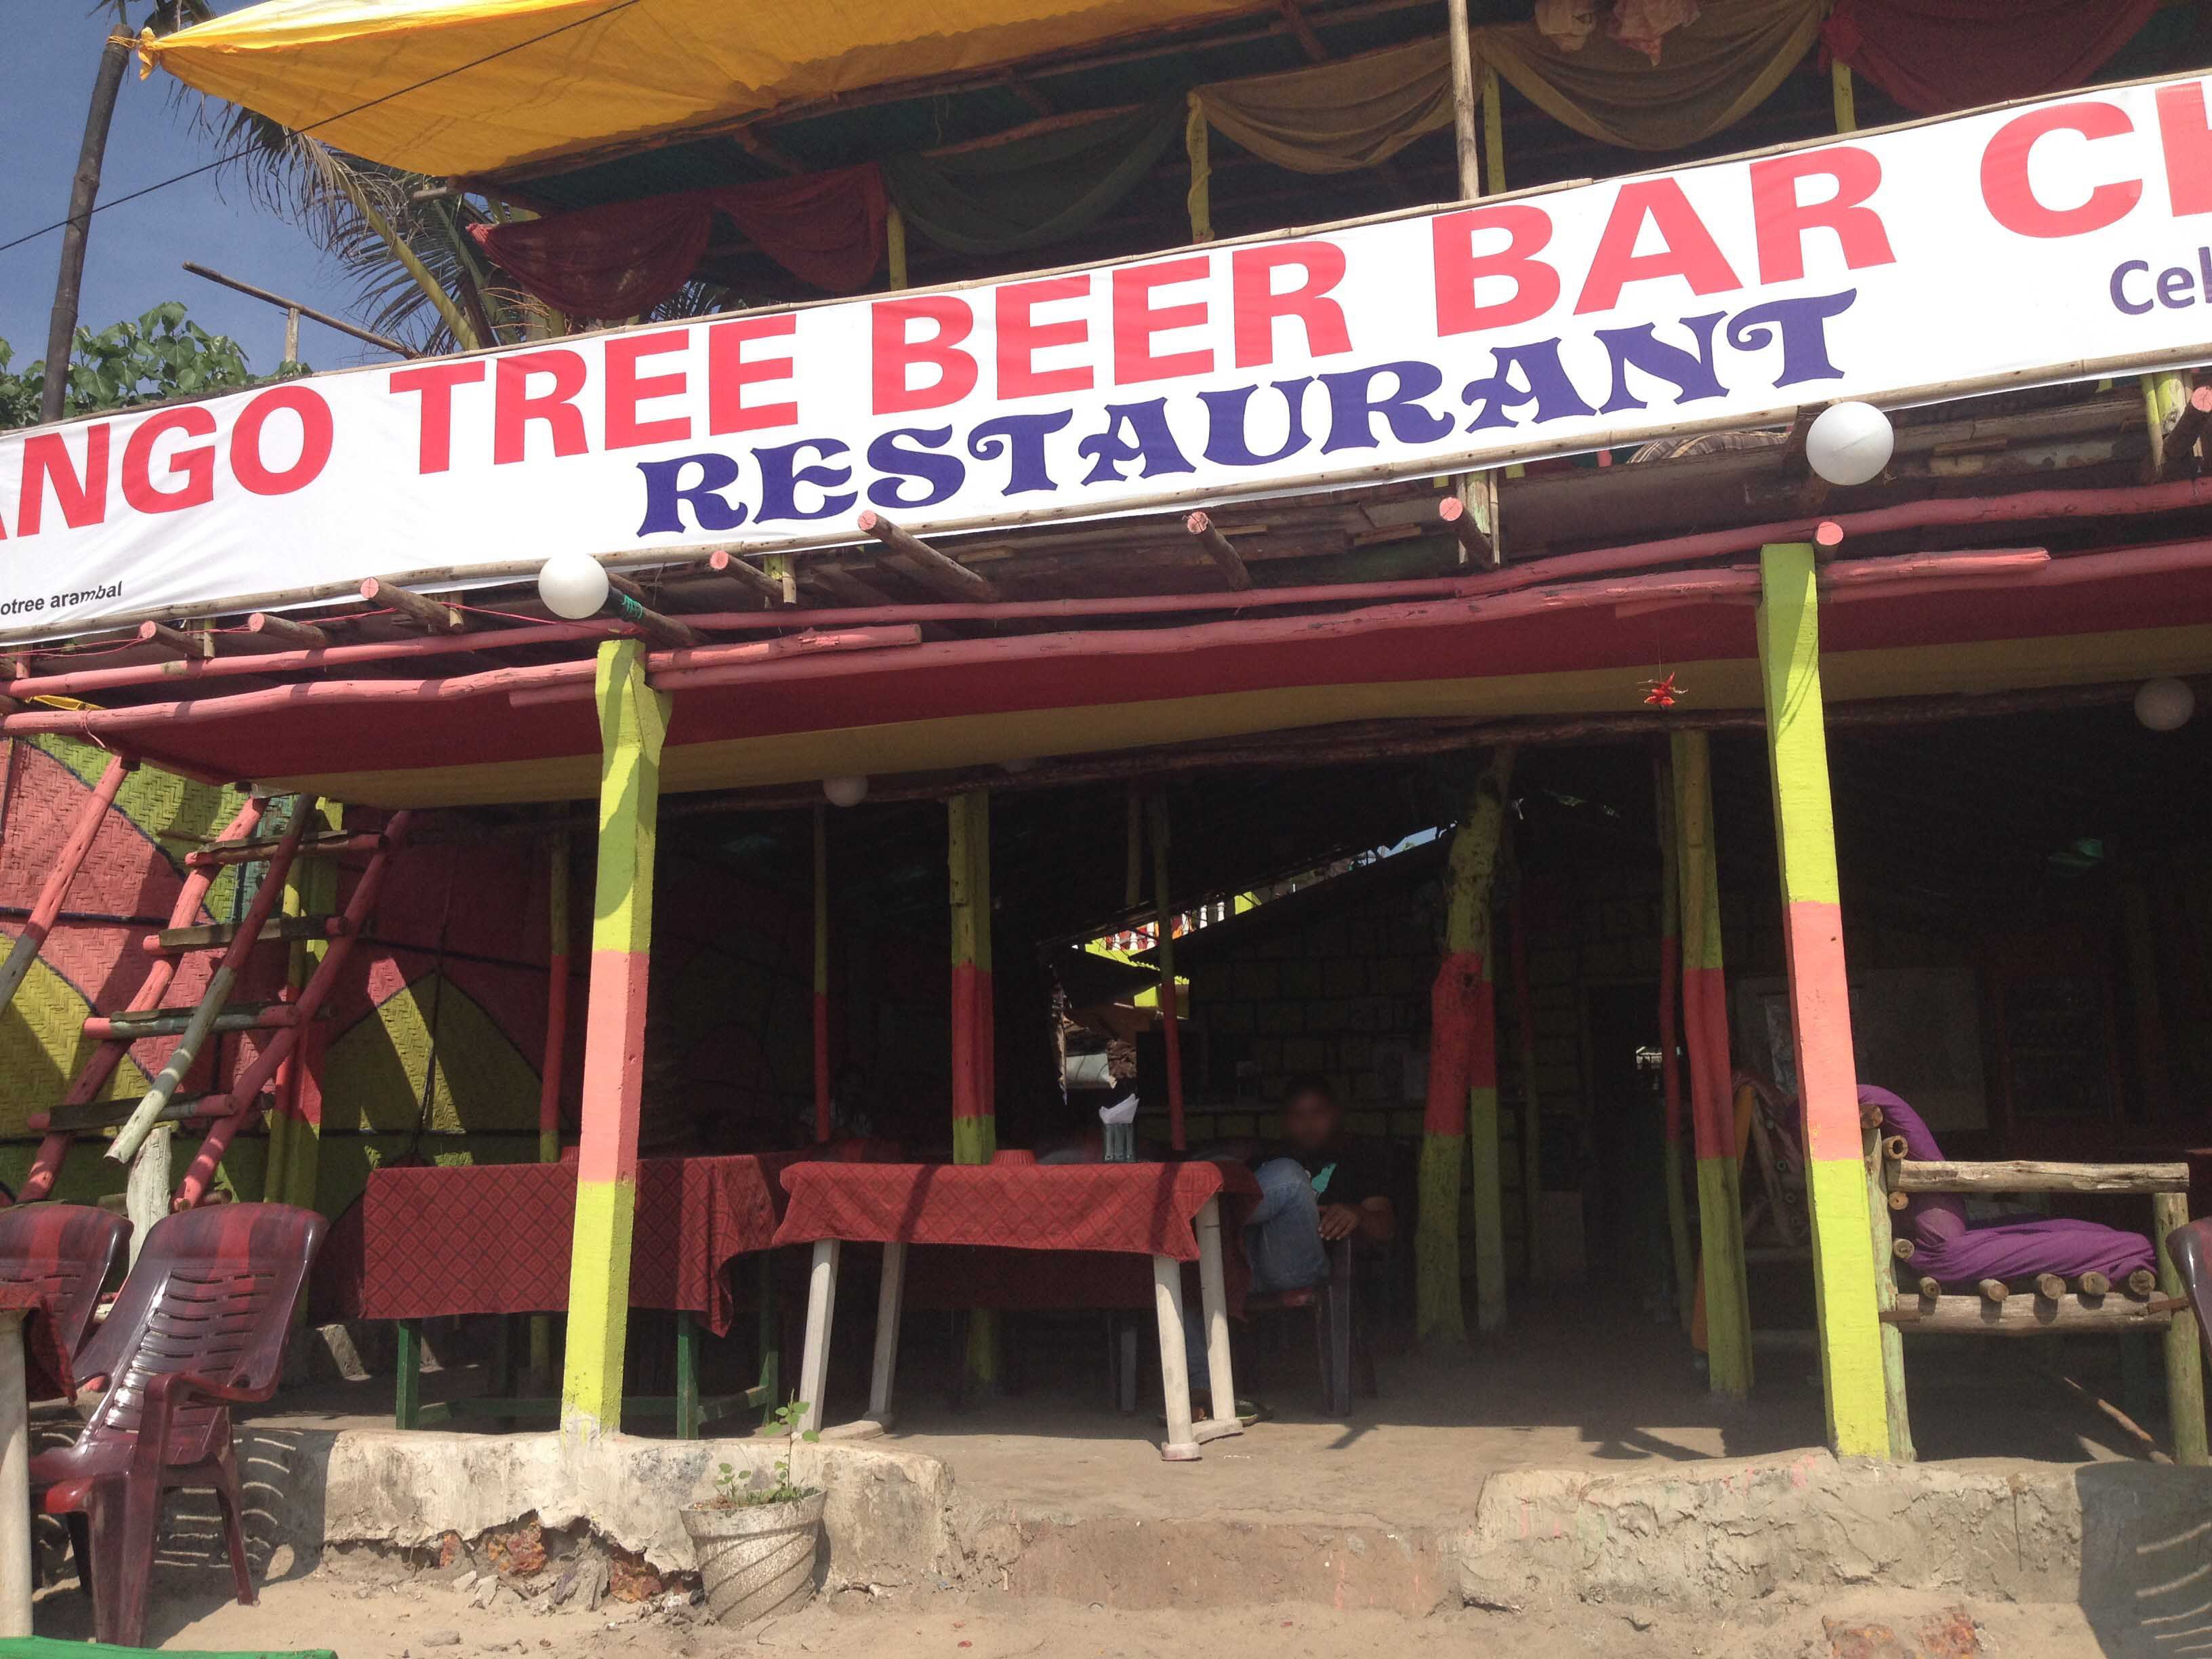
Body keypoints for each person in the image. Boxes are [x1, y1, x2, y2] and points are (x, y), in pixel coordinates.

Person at [1189, 1075, 1394, 1399]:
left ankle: (1197, 1213)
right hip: (1248, 1266)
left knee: (1288, 1177)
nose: (1308, 1124)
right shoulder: (1269, 1157)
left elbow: (1385, 1228)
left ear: (1336, 1114)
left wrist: (1357, 1213)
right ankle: (1200, 1391)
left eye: (1317, 1113)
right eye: (1298, 1116)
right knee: (1190, 1268)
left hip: (1305, 1266)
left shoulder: (1359, 1157)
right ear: (1285, 1122)